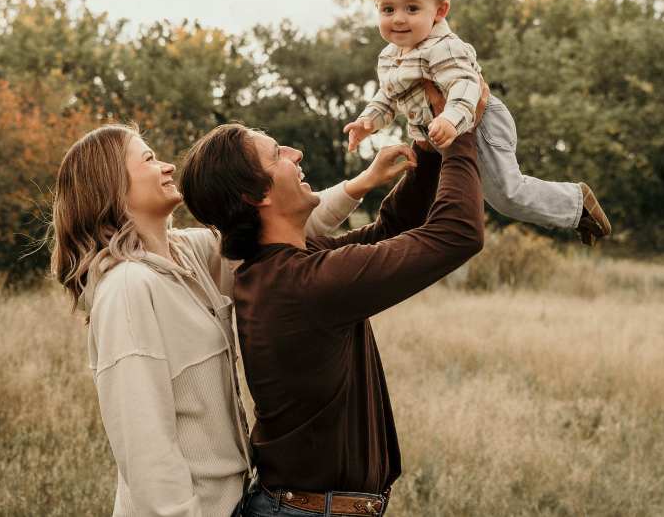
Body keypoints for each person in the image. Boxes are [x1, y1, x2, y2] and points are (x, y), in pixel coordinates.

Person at [50, 123, 411, 517]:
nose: (168, 166)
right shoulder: (127, 288)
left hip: (236, 504)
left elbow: (282, 224)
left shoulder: (188, 253)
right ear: (112, 186)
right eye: (150, 159)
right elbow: (144, 444)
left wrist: (365, 181)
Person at [178, 82, 488, 517]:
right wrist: (461, 126)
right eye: (277, 155)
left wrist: (429, 143)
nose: (296, 154)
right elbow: (458, 235)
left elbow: (389, 232)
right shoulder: (300, 284)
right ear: (256, 196)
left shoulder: (286, 266)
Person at [343, 0, 611, 245]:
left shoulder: (441, 46)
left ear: (439, 11)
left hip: (479, 122)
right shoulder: (390, 56)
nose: (399, 19)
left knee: (508, 195)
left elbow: (465, 84)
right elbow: (388, 95)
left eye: (411, 8)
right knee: (442, 201)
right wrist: (368, 121)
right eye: (388, 10)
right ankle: (573, 209)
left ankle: (577, 202)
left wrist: (450, 119)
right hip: (444, 131)